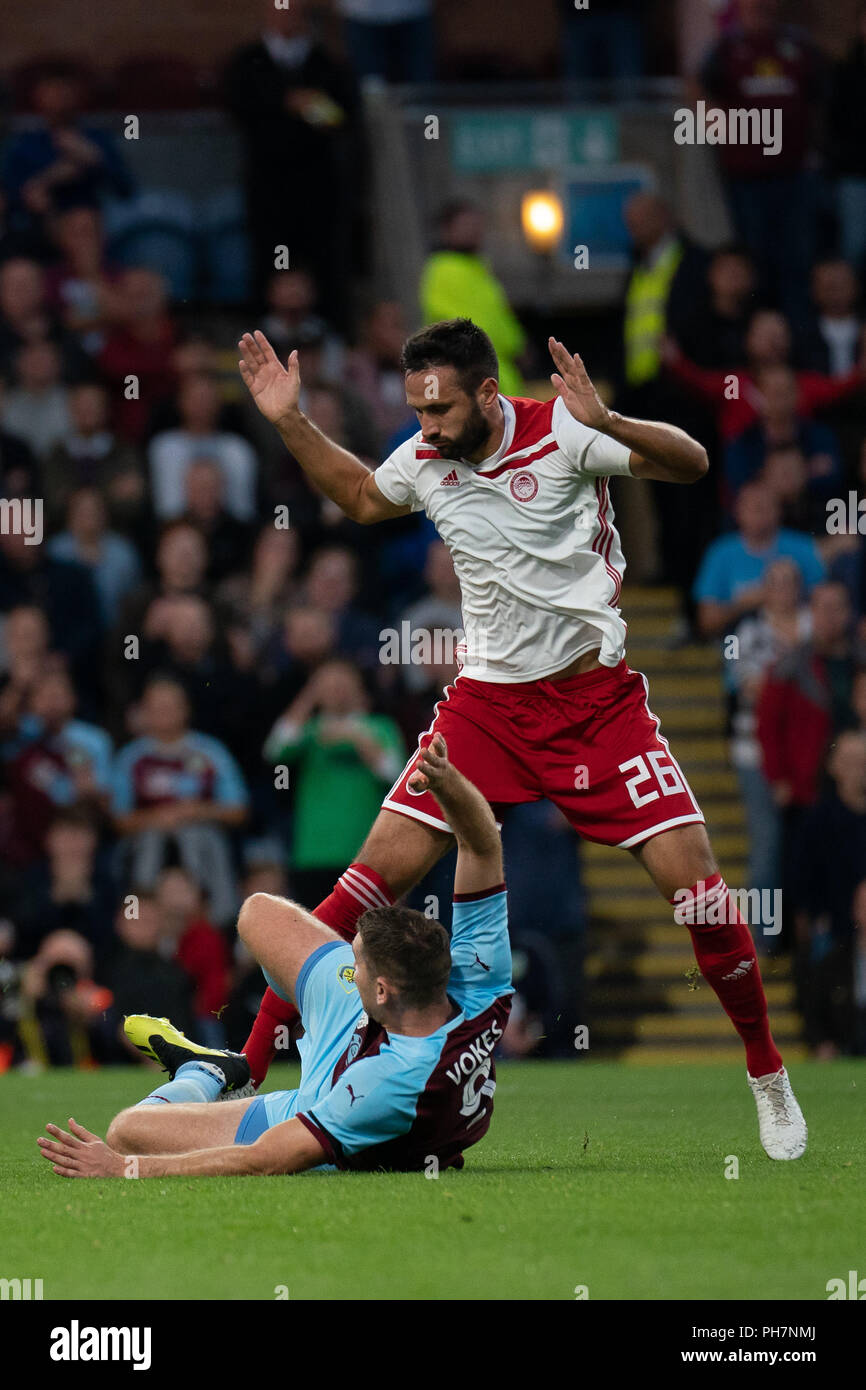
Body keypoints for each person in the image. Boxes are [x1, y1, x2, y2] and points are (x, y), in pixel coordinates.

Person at [236, 316, 807, 1159]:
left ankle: (767, 1075)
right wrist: (291, 420)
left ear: (489, 394)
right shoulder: (428, 459)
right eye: (416, 411)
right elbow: (360, 497)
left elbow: (692, 462)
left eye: (440, 410)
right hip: (487, 708)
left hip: (596, 706)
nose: (424, 429)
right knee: (362, 887)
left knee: (699, 893)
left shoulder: (564, 432)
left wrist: (610, 422)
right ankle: (245, 1067)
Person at [38, 734, 515, 1179]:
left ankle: (208, 1072)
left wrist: (124, 1168)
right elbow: (482, 843)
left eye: (358, 963)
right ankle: (243, 1063)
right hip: (373, 1028)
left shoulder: (381, 1088)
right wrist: (448, 782)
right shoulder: (478, 984)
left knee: (130, 1130)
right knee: (260, 912)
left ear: (383, 988)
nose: (349, 961)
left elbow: (262, 1160)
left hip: (322, 1097)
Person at [693, 481, 824, 640]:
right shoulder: (721, 552)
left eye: (765, 507)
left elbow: (825, 603)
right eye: (753, 508)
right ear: (738, 511)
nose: (760, 514)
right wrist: (744, 604)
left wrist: (785, 598)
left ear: (779, 511)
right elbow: (706, 622)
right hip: (737, 642)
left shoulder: (803, 547)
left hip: (800, 640)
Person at [420, 202, 527, 396]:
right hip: (468, 373)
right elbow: (447, 320)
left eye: (476, 225)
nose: (473, 231)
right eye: (465, 225)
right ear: (447, 230)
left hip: (500, 372)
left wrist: (518, 345)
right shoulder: (441, 269)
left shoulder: (480, 269)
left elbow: (500, 316)